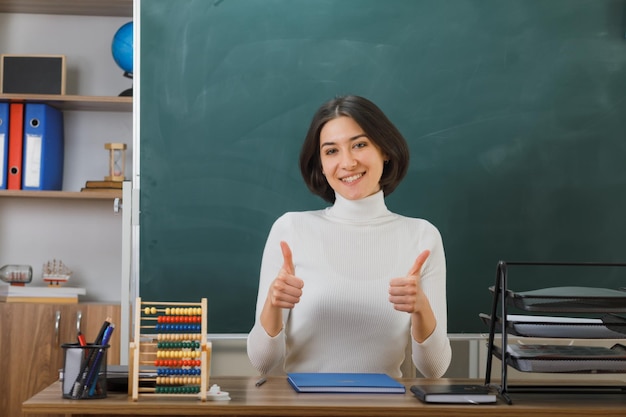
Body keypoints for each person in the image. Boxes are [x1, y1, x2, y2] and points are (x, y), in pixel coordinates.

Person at [247, 95, 451, 378]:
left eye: (359, 144)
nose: (348, 162)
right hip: (302, 410)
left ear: (385, 150)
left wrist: (421, 309)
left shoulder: (421, 237)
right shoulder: (290, 230)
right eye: (331, 151)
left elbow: (434, 369)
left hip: (386, 411)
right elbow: (261, 363)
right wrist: (273, 303)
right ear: (320, 164)